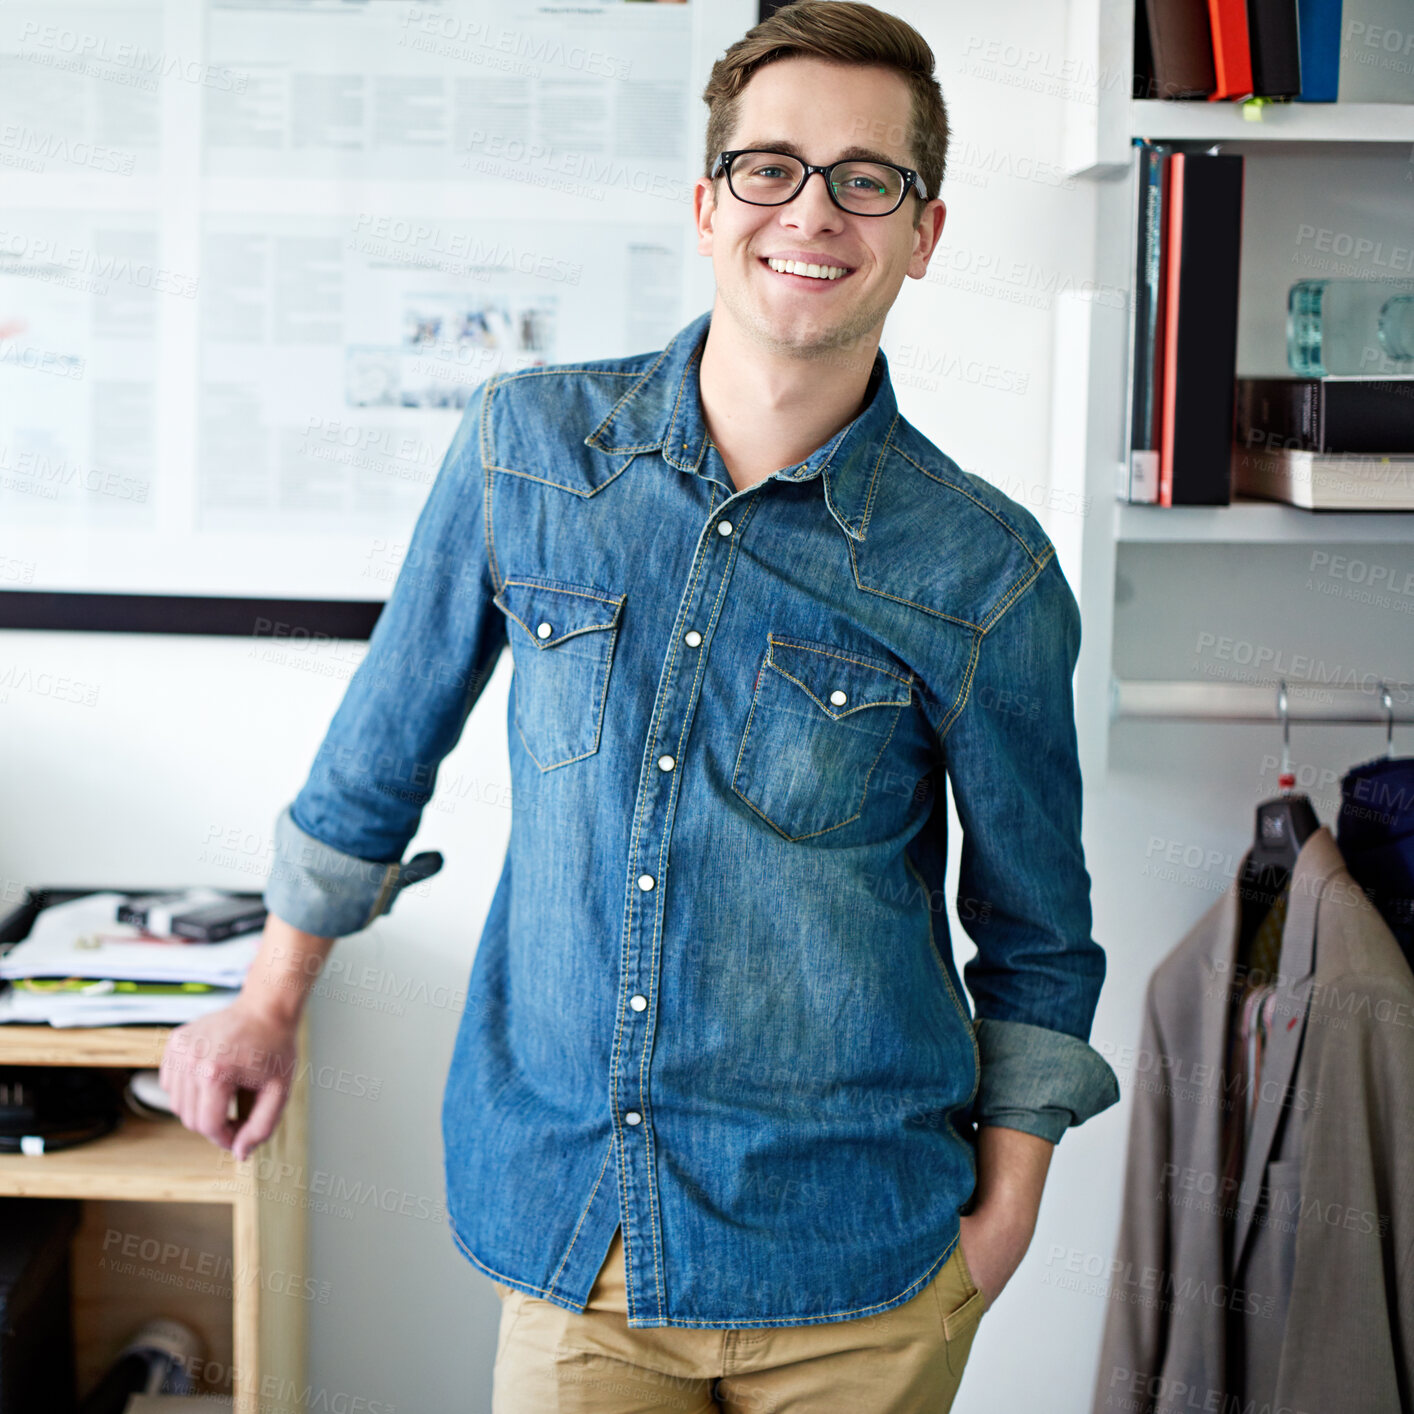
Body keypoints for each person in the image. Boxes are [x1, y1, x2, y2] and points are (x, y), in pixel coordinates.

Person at [159, 4, 1119, 1409]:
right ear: (707, 201)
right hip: (579, 1235)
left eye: (869, 178)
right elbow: (379, 750)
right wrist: (267, 1000)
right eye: (771, 167)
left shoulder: (984, 569)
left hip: (863, 1261)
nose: (814, 211)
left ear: (923, 230)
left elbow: (1037, 931)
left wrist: (1006, 1211)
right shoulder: (524, 450)